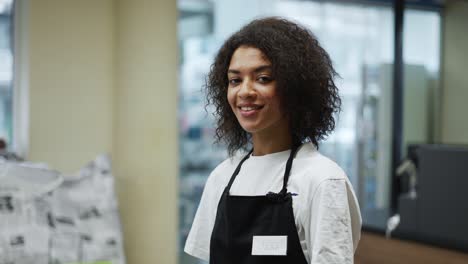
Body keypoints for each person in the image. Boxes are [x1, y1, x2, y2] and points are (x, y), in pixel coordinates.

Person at [184, 17, 362, 264]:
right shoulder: (222, 178)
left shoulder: (322, 180)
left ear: (295, 87)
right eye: (235, 80)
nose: (245, 91)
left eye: (263, 78)